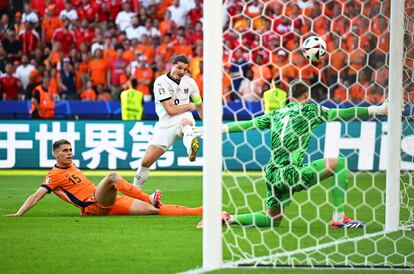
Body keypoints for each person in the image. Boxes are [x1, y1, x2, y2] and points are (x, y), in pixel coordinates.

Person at [198, 80, 391, 229]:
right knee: (339, 164)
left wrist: (215, 128)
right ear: (306, 94)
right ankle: (339, 220)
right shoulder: (310, 110)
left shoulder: (277, 114)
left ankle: (229, 219)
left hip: (272, 174)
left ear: (289, 96)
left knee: (272, 219)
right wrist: (378, 109)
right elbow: (345, 112)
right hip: (292, 174)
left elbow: (247, 125)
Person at [5, 139, 203, 217]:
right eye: (65, 151)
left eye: (70, 150)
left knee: (154, 211)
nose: (69, 153)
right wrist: (18, 213)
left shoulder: (71, 165)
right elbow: (36, 195)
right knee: (112, 177)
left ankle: (202, 211)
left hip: (106, 202)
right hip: (93, 204)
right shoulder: (53, 175)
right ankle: (147, 197)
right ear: (55, 154)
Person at [133, 55, 203, 186]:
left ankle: (191, 145)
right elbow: (170, 110)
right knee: (145, 163)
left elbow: (199, 105)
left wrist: (207, 123)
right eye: (179, 68)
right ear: (171, 65)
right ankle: (134, 191)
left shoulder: (190, 83)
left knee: (185, 123)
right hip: (166, 124)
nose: (182, 72)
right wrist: (189, 105)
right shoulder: (160, 82)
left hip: (184, 117)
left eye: (185, 69)